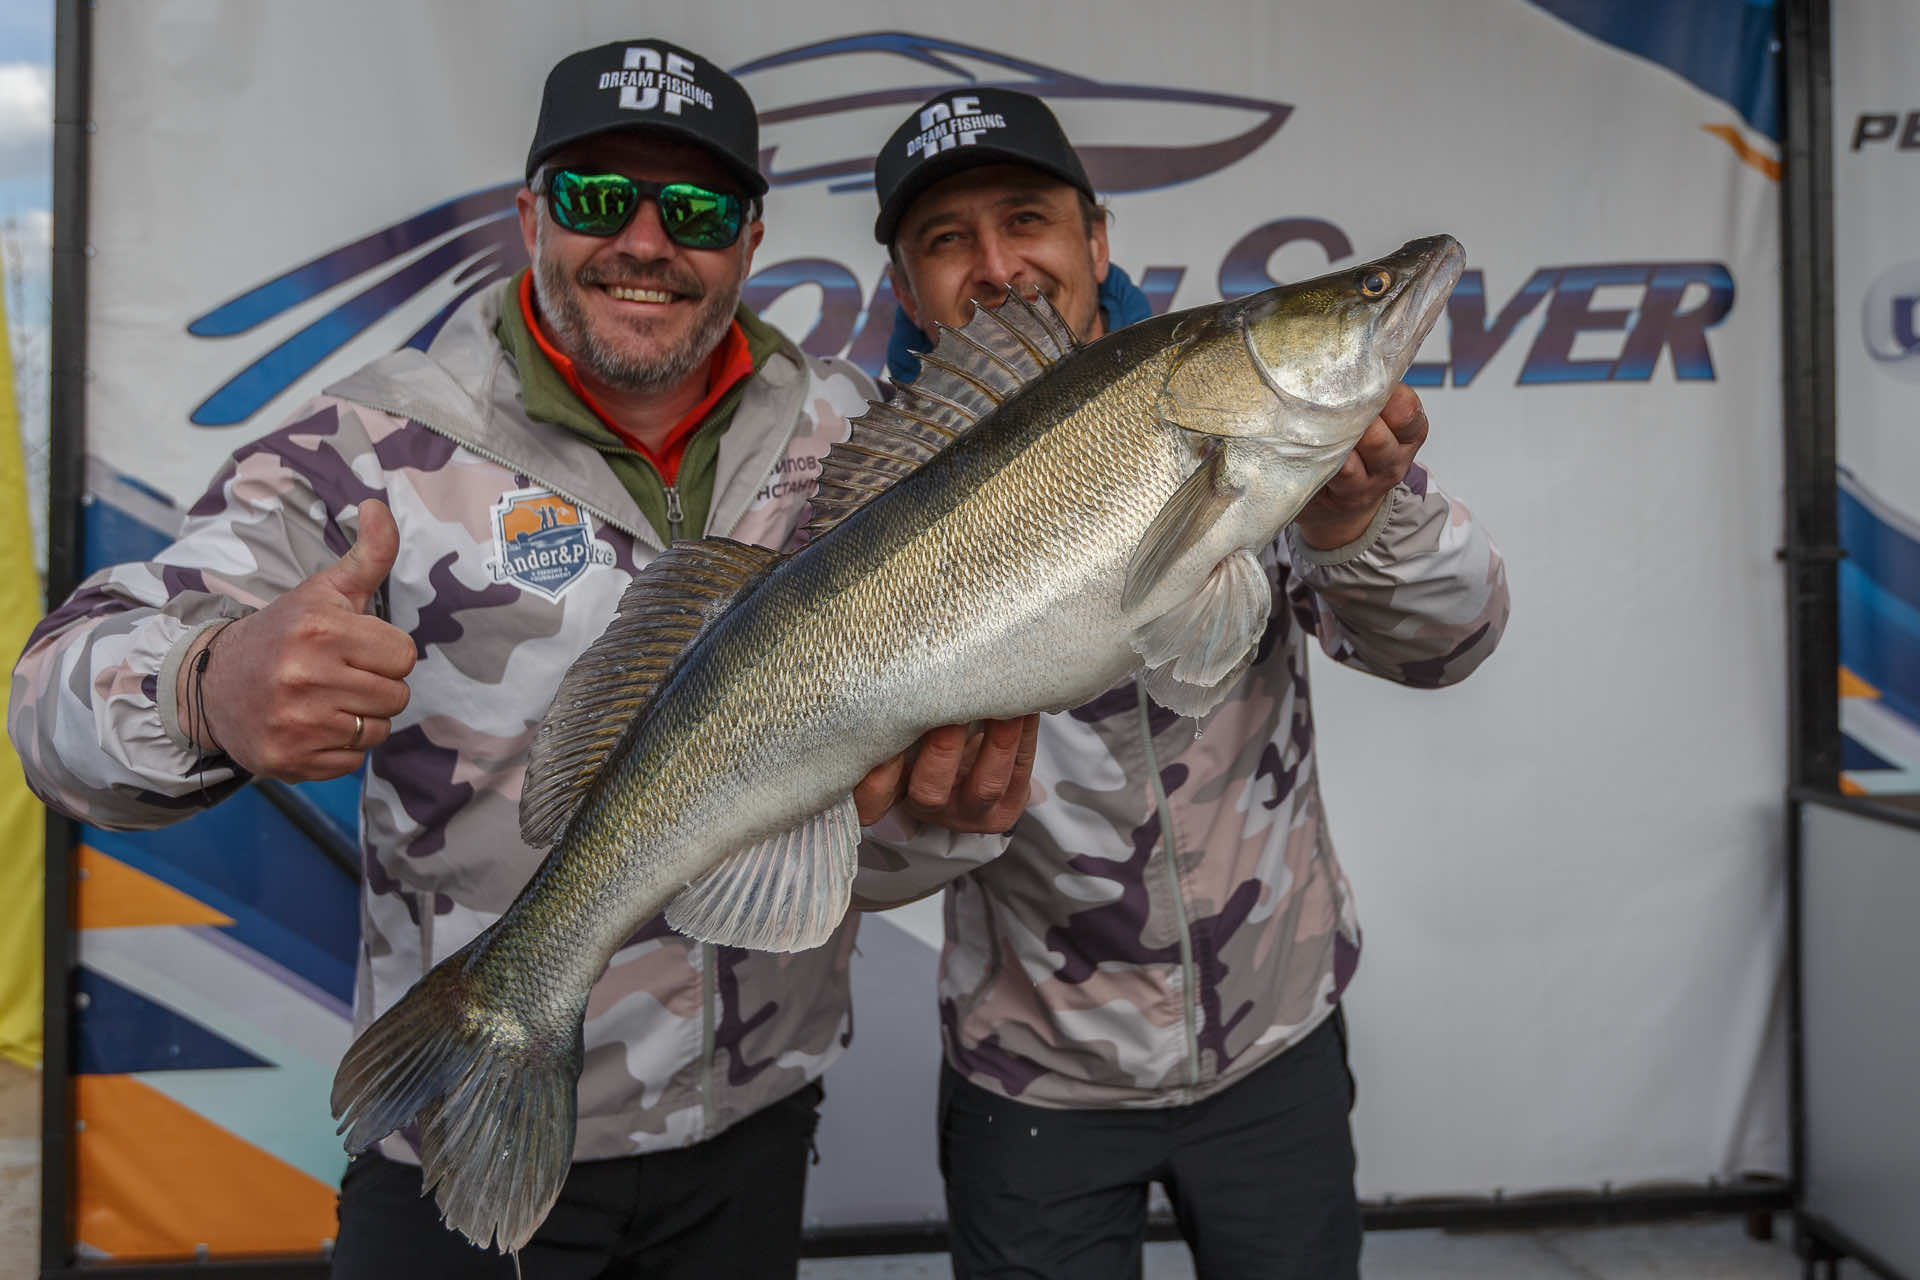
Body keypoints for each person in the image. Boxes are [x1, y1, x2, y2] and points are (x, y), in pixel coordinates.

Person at [10, 39, 882, 1279]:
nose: (644, 241)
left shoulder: (850, 433)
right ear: (531, 217)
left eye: (694, 210)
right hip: (461, 1124)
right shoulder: (371, 443)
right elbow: (53, 694)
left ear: (748, 242)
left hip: (750, 1118)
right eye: (597, 197)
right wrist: (208, 683)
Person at [850, 89, 1512, 1280]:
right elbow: (854, 859)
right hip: (1033, 1072)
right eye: (948, 239)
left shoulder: (1235, 402)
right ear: (905, 285)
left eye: (1027, 219)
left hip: (1274, 1044)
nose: (997, 266)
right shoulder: (863, 498)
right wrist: (930, 821)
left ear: (1097, 238)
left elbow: (1451, 640)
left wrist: (1357, 524)